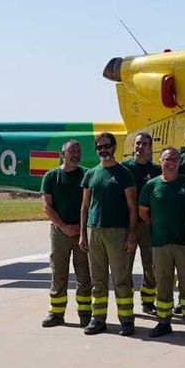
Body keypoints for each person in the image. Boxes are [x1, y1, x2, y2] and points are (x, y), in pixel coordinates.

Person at [79, 131, 139, 336]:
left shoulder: (124, 174)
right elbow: (85, 207)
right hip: (94, 231)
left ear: (114, 148)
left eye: (107, 146)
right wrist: (82, 234)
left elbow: (132, 207)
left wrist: (132, 235)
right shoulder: (90, 174)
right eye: (100, 147)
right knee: (98, 279)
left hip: (117, 232)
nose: (103, 150)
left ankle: (127, 321)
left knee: (121, 278)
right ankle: (98, 319)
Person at [139, 147, 185, 338]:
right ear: (160, 162)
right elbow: (143, 211)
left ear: (179, 162)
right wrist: (157, 226)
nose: (171, 162)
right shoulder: (151, 185)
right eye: (167, 159)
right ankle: (164, 322)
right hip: (160, 244)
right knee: (163, 285)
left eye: (174, 159)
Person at [40, 139, 91, 328]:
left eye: (78, 151)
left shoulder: (86, 175)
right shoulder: (51, 176)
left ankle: (85, 313)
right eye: (72, 151)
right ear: (63, 154)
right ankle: (56, 313)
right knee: (59, 273)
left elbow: (89, 203)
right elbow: (47, 206)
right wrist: (63, 227)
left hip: (81, 232)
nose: (76, 154)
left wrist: (81, 228)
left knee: (84, 273)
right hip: (60, 232)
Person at [124, 130, 162, 315]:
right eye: (138, 144)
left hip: (148, 225)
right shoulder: (123, 168)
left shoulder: (156, 170)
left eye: (145, 144)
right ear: (133, 147)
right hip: (127, 226)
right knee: (125, 265)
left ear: (150, 148)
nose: (140, 147)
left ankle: (148, 301)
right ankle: (127, 302)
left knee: (151, 265)